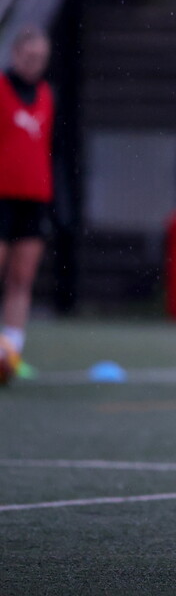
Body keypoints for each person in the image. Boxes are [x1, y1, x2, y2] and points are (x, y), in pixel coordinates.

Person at [0, 26, 54, 383]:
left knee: (22, 278)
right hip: (2, 196)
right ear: (16, 53)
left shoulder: (47, 94)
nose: (34, 63)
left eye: (41, 58)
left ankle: (11, 355)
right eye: (29, 55)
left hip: (34, 198)